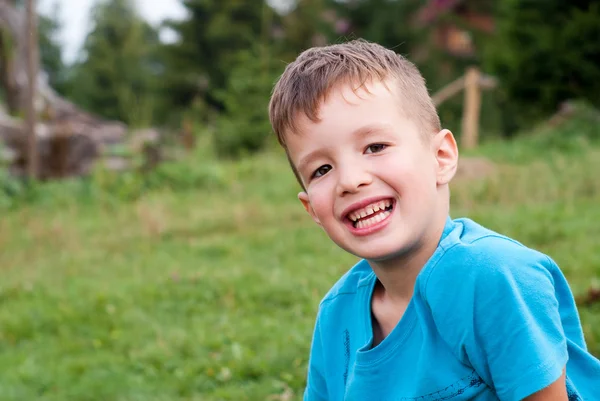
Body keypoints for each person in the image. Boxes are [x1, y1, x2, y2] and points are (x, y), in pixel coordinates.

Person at [267, 39, 600, 401]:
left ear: (440, 156)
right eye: (322, 169)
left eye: (375, 147)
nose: (350, 180)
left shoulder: (494, 277)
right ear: (312, 209)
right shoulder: (336, 316)